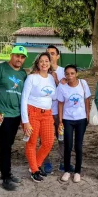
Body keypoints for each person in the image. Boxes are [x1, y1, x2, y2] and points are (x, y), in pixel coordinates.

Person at [0, 45, 28, 191]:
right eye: (17, 55)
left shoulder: (23, 74)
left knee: (9, 144)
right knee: (4, 146)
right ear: (11, 55)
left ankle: (7, 172)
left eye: (22, 57)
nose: (19, 59)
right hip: (3, 114)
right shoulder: (0, 69)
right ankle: (5, 177)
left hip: (16, 114)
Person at [21, 52, 57, 182]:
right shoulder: (32, 78)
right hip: (32, 113)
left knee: (48, 142)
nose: (44, 63)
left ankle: (35, 165)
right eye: (41, 61)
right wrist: (25, 121)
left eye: (47, 61)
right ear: (37, 63)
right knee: (32, 142)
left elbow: (53, 97)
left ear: (50, 63)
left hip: (47, 114)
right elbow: (24, 99)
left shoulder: (51, 78)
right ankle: (35, 169)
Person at [57, 65, 91, 183]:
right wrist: (60, 120)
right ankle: (67, 170)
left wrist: (87, 115)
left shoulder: (83, 83)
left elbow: (87, 99)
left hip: (81, 119)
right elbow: (60, 103)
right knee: (68, 145)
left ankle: (77, 171)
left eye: (72, 73)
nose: (70, 76)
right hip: (67, 119)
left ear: (76, 73)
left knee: (78, 146)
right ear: (65, 75)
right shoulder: (62, 87)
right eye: (67, 73)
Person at [42, 45, 64, 174]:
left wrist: (57, 80)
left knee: (62, 138)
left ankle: (63, 162)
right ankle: (46, 162)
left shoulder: (64, 71)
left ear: (57, 56)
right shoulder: (42, 71)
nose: (50, 56)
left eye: (53, 53)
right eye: (47, 53)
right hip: (45, 111)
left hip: (60, 113)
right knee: (45, 138)